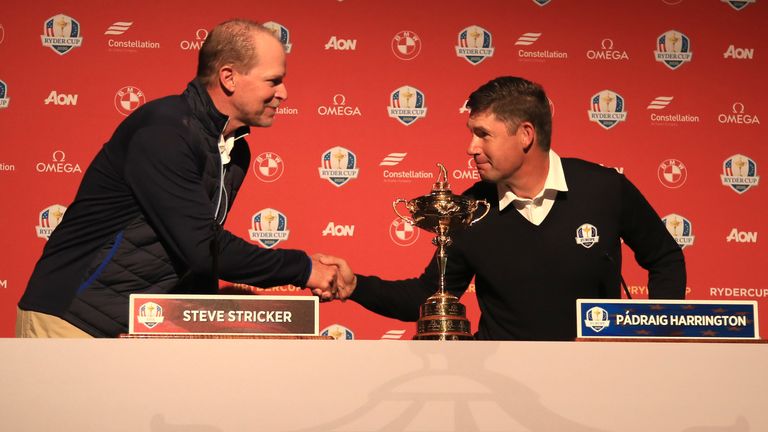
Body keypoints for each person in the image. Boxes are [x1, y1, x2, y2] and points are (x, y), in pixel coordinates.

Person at [17, 19, 340, 338]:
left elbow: (196, 256)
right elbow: (204, 249)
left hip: (133, 326)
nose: (283, 93)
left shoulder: (236, 150)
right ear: (229, 77)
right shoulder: (166, 132)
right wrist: (305, 269)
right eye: (273, 81)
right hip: (71, 320)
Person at [324, 76, 687, 341]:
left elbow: (665, 258)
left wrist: (654, 333)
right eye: (471, 133)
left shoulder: (605, 187)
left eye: (483, 134)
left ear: (526, 135)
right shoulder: (470, 209)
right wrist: (356, 286)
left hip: (595, 380)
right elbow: (426, 296)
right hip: (498, 388)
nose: (470, 147)